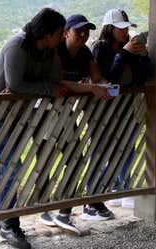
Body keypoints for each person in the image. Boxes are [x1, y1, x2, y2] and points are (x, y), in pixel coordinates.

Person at [0, 8, 71, 249]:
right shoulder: (17, 46)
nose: (63, 37)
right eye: (60, 33)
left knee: (9, 166)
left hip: (20, 114)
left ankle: (2, 216)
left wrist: (37, 87)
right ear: (47, 33)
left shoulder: (48, 51)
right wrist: (46, 89)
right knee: (10, 165)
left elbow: (53, 80)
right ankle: (9, 223)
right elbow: (15, 84)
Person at [40, 14, 112, 232]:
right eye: (78, 31)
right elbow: (58, 82)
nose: (83, 35)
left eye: (86, 31)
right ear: (65, 33)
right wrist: (90, 88)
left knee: (75, 158)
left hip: (66, 113)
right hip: (44, 112)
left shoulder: (85, 52)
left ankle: (64, 211)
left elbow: (96, 77)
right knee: (45, 160)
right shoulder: (56, 51)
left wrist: (107, 85)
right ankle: (44, 206)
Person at [88, 9, 151, 209]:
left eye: (125, 28)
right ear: (109, 28)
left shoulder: (129, 49)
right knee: (102, 150)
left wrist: (144, 56)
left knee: (127, 148)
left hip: (125, 107)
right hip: (103, 109)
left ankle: (122, 187)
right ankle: (95, 195)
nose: (124, 32)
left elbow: (141, 77)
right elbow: (108, 78)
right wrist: (124, 54)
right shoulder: (100, 48)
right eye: (120, 28)